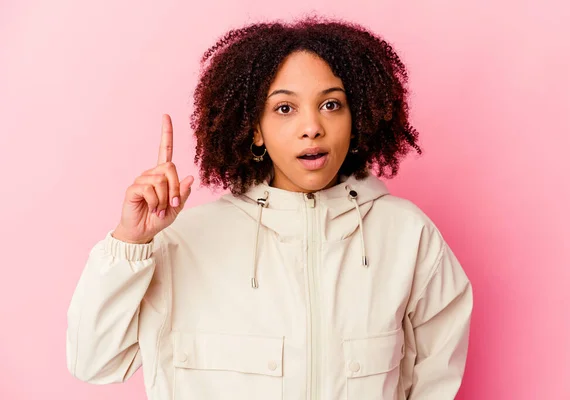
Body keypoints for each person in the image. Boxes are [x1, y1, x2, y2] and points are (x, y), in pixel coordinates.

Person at [66, 15, 473, 400]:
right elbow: (93, 362)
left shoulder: (407, 236)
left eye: (331, 104)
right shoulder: (183, 243)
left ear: (357, 117)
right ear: (255, 130)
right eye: (284, 108)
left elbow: (435, 380)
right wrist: (130, 244)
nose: (312, 126)